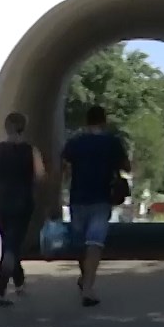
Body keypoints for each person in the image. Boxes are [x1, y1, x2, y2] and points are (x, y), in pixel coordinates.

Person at [61, 104, 132, 307]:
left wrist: (58, 194)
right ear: (104, 121)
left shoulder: (74, 143)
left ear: (86, 121)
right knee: (95, 243)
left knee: (82, 244)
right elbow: (126, 166)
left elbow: (64, 169)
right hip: (101, 197)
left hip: (77, 197)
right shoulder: (112, 142)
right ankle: (88, 286)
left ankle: (87, 283)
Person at [0, 112, 45, 307]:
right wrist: (37, 193)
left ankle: (19, 281)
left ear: (6, 127)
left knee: (9, 241)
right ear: (24, 127)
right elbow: (40, 176)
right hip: (22, 201)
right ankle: (0, 290)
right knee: (11, 245)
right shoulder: (31, 151)